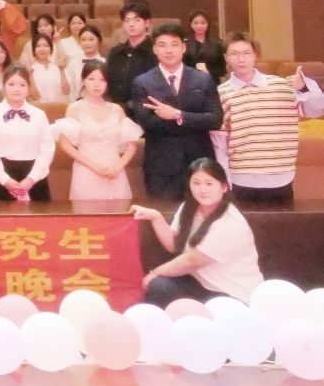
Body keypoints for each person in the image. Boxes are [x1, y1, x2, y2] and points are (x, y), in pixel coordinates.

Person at [132, 158, 264, 306]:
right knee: (159, 286)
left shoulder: (230, 223)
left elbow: (191, 261)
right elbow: (174, 245)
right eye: (196, 183)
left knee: (157, 281)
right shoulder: (189, 208)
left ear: (224, 187)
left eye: (209, 184)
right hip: (202, 285)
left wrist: (155, 272)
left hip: (232, 294)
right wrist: (156, 217)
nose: (202, 190)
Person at [216, 31, 324, 203]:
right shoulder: (221, 93)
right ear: (226, 58)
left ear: (255, 55)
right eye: (234, 54)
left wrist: (303, 88)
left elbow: (317, 110)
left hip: (281, 177)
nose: (241, 59)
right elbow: (219, 143)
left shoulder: (282, 86)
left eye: (246, 53)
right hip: (241, 179)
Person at [130, 22, 224, 200]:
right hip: (161, 166)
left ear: (183, 47)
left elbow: (215, 119)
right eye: (162, 45)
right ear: (154, 49)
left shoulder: (203, 80)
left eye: (174, 44)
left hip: (200, 164)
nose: (169, 50)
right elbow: (148, 123)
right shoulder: (142, 82)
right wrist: (195, 121)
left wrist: (177, 115)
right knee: (164, 214)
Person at [53, 63, 143, 200]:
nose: (97, 84)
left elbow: (132, 146)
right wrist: (93, 166)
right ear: (83, 81)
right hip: (86, 170)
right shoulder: (75, 108)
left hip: (114, 172)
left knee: (118, 211)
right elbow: (65, 144)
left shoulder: (116, 109)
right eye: (91, 79)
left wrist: (118, 167)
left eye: (102, 80)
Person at [0, 65, 54, 202]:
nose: (17, 89)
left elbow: (47, 150)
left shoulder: (39, 115)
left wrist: (31, 179)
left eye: (22, 84)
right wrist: (5, 179)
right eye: (11, 84)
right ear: (4, 85)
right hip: (0, 177)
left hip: (34, 177)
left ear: (28, 87)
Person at [106, 0, 158, 110]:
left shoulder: (155, 52)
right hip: (116, 110)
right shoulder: (115, 52)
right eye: (127, 20)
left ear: (147, 23)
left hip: (145, 111)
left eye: (137, 20)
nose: (131, 24)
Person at [65, 24, 106, 100]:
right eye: (83, 40)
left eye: (91, 39)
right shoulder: (73, 63)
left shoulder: (105, 63)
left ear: (99, 41)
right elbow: (70, 88)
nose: (87, 43)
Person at [184, 10, 226, 79]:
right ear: (190, 24)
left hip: (213, 81)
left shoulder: (217, 43)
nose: (199, 26)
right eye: (196, 23)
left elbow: (222, 69)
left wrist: (209, 73)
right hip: (190, 80)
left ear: (208, 24)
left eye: (203, 23)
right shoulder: (185, 44)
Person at [27, 35, 70, 102]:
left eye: (46, 46)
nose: (42, 49)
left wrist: (61, 71)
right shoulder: (30, 70)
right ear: (33, 50)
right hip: (40, 107)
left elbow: (67, 92)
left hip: (59, 106)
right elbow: (33, 96)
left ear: (51, 49)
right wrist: (30, 75)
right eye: (38, 46)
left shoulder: (59, 68)